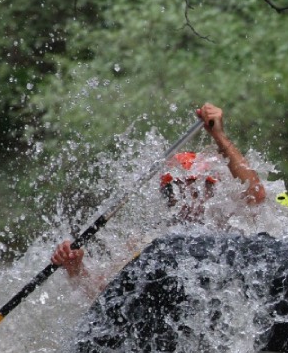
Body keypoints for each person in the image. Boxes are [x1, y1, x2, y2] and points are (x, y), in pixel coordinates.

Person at [51, 103, 267, 297]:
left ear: (212, 192)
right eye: (178, 192)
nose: (189, 200)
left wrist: (219, 136)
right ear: (169, 198)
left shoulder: (231, 226)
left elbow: (255, 194)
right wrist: (76, 269)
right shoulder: (148, 242)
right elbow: (102, 292)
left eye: (199, 189)